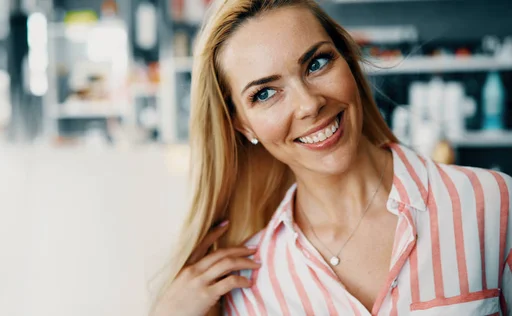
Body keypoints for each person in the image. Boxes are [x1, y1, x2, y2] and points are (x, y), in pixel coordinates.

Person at [151, 0, 512, 315]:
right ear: (243, 127)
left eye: (317, 63)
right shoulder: (249, 287)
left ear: (349, 64)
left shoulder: (493, 205)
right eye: (264, 94)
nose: (309, 104)